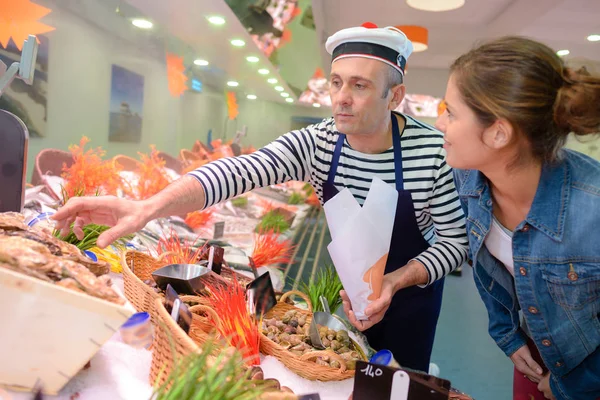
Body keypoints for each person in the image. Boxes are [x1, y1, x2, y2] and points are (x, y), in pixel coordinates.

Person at [52, 23, 468, 372]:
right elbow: (239, 171)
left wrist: (395, 281)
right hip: (353, 288)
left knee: (402, 381)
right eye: (336, 83)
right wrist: (149, 206)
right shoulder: (320, 142)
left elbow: (454, 242)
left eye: (359, 86)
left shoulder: (432, 151)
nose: (341, 98)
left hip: (413, 290)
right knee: (349, 370)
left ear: (393, 96)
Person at [435, 36, 600, 399]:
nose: (439, 122)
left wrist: (574, 384)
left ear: (498, 132)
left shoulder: (592, 211)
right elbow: (487, 263)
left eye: (451, 112)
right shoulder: (469, 179)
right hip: (533, 356)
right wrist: (507, 335)